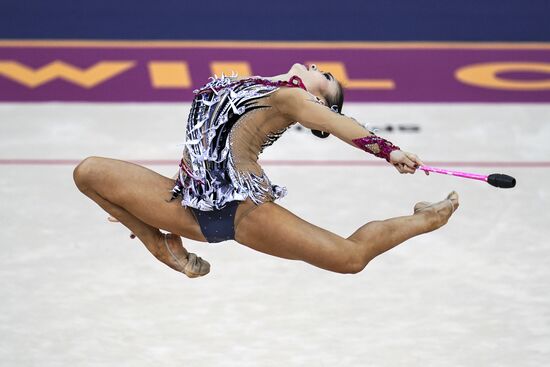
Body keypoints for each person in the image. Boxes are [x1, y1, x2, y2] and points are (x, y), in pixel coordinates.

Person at [73, 63, 459, 278]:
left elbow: (339, 125)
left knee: (349, 258)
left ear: (318, 99)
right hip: (186, 204)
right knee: (88, 173)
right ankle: (160, 245)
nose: (317, 67)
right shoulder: (259, 86)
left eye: (325, 78)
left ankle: (428, 219)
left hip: (240, 209)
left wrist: (388, 151)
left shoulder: (292, 98)